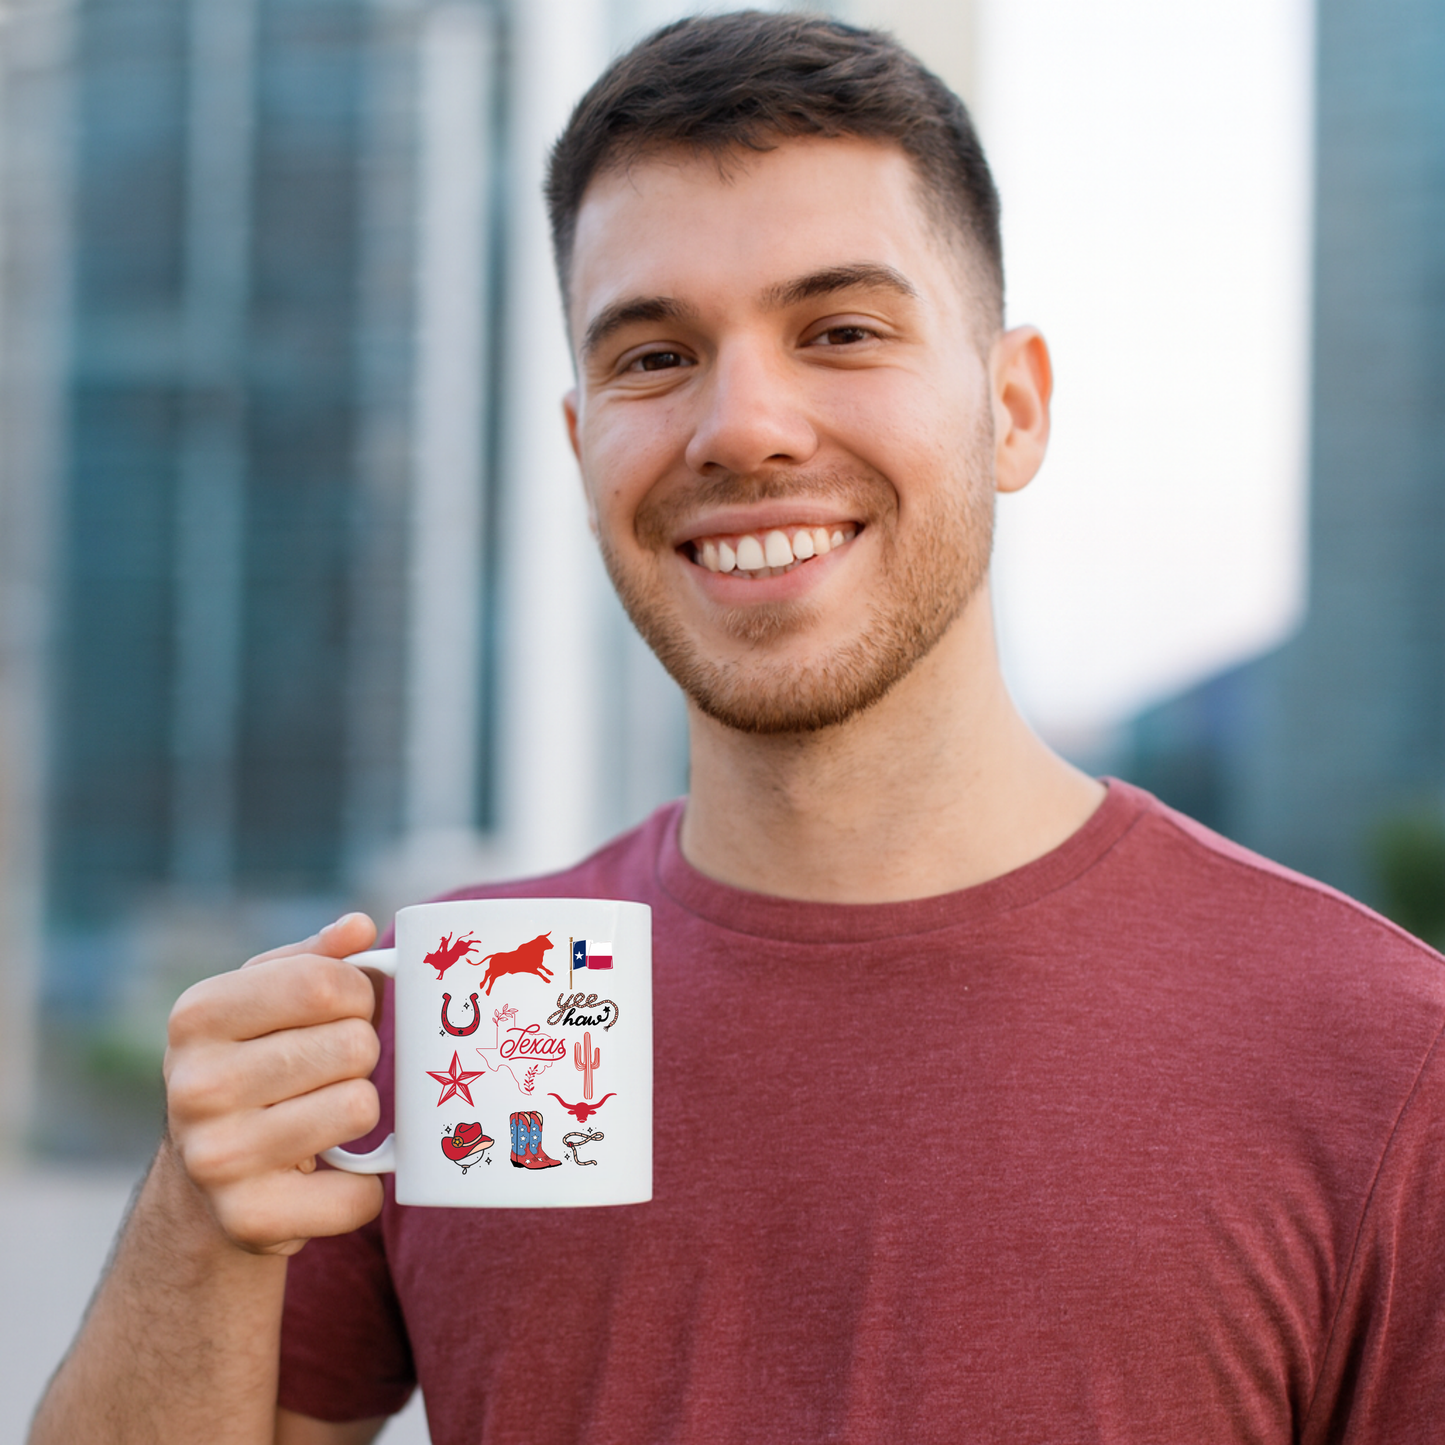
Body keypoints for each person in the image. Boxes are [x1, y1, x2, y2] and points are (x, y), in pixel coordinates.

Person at [32, 12, 1445, 1444]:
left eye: (842, 332)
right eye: (654, 357)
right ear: (583, 448)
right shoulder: (463, 1023)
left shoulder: (1380, 1057)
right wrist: (195, 1219)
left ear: (1013, 410)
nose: (742, 428)